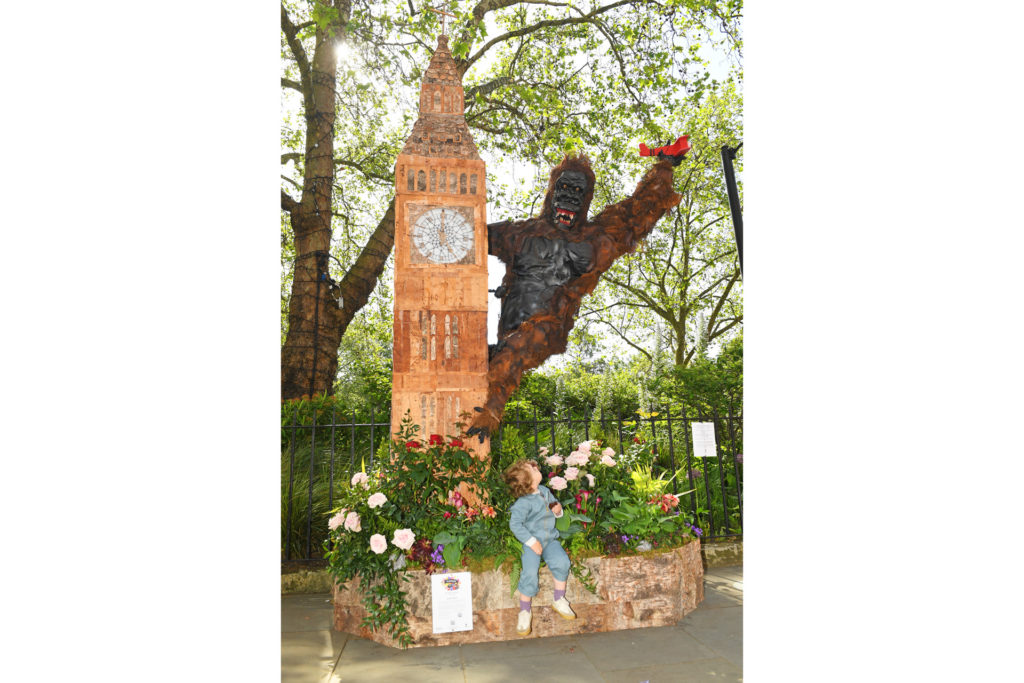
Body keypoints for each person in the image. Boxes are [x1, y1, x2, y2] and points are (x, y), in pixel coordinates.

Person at [502, 459, 577, 636]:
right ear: (529, 481)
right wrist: (530, 541)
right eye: (532, 469)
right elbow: (515, 525)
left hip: (549, 539)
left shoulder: (544, 491)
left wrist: (558, 511)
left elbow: (555, 510)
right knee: (529, 571)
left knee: (562, 562)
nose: (536, 468)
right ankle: (524, 611)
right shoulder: (523, 503)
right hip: (532, 543)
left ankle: (559, 599)